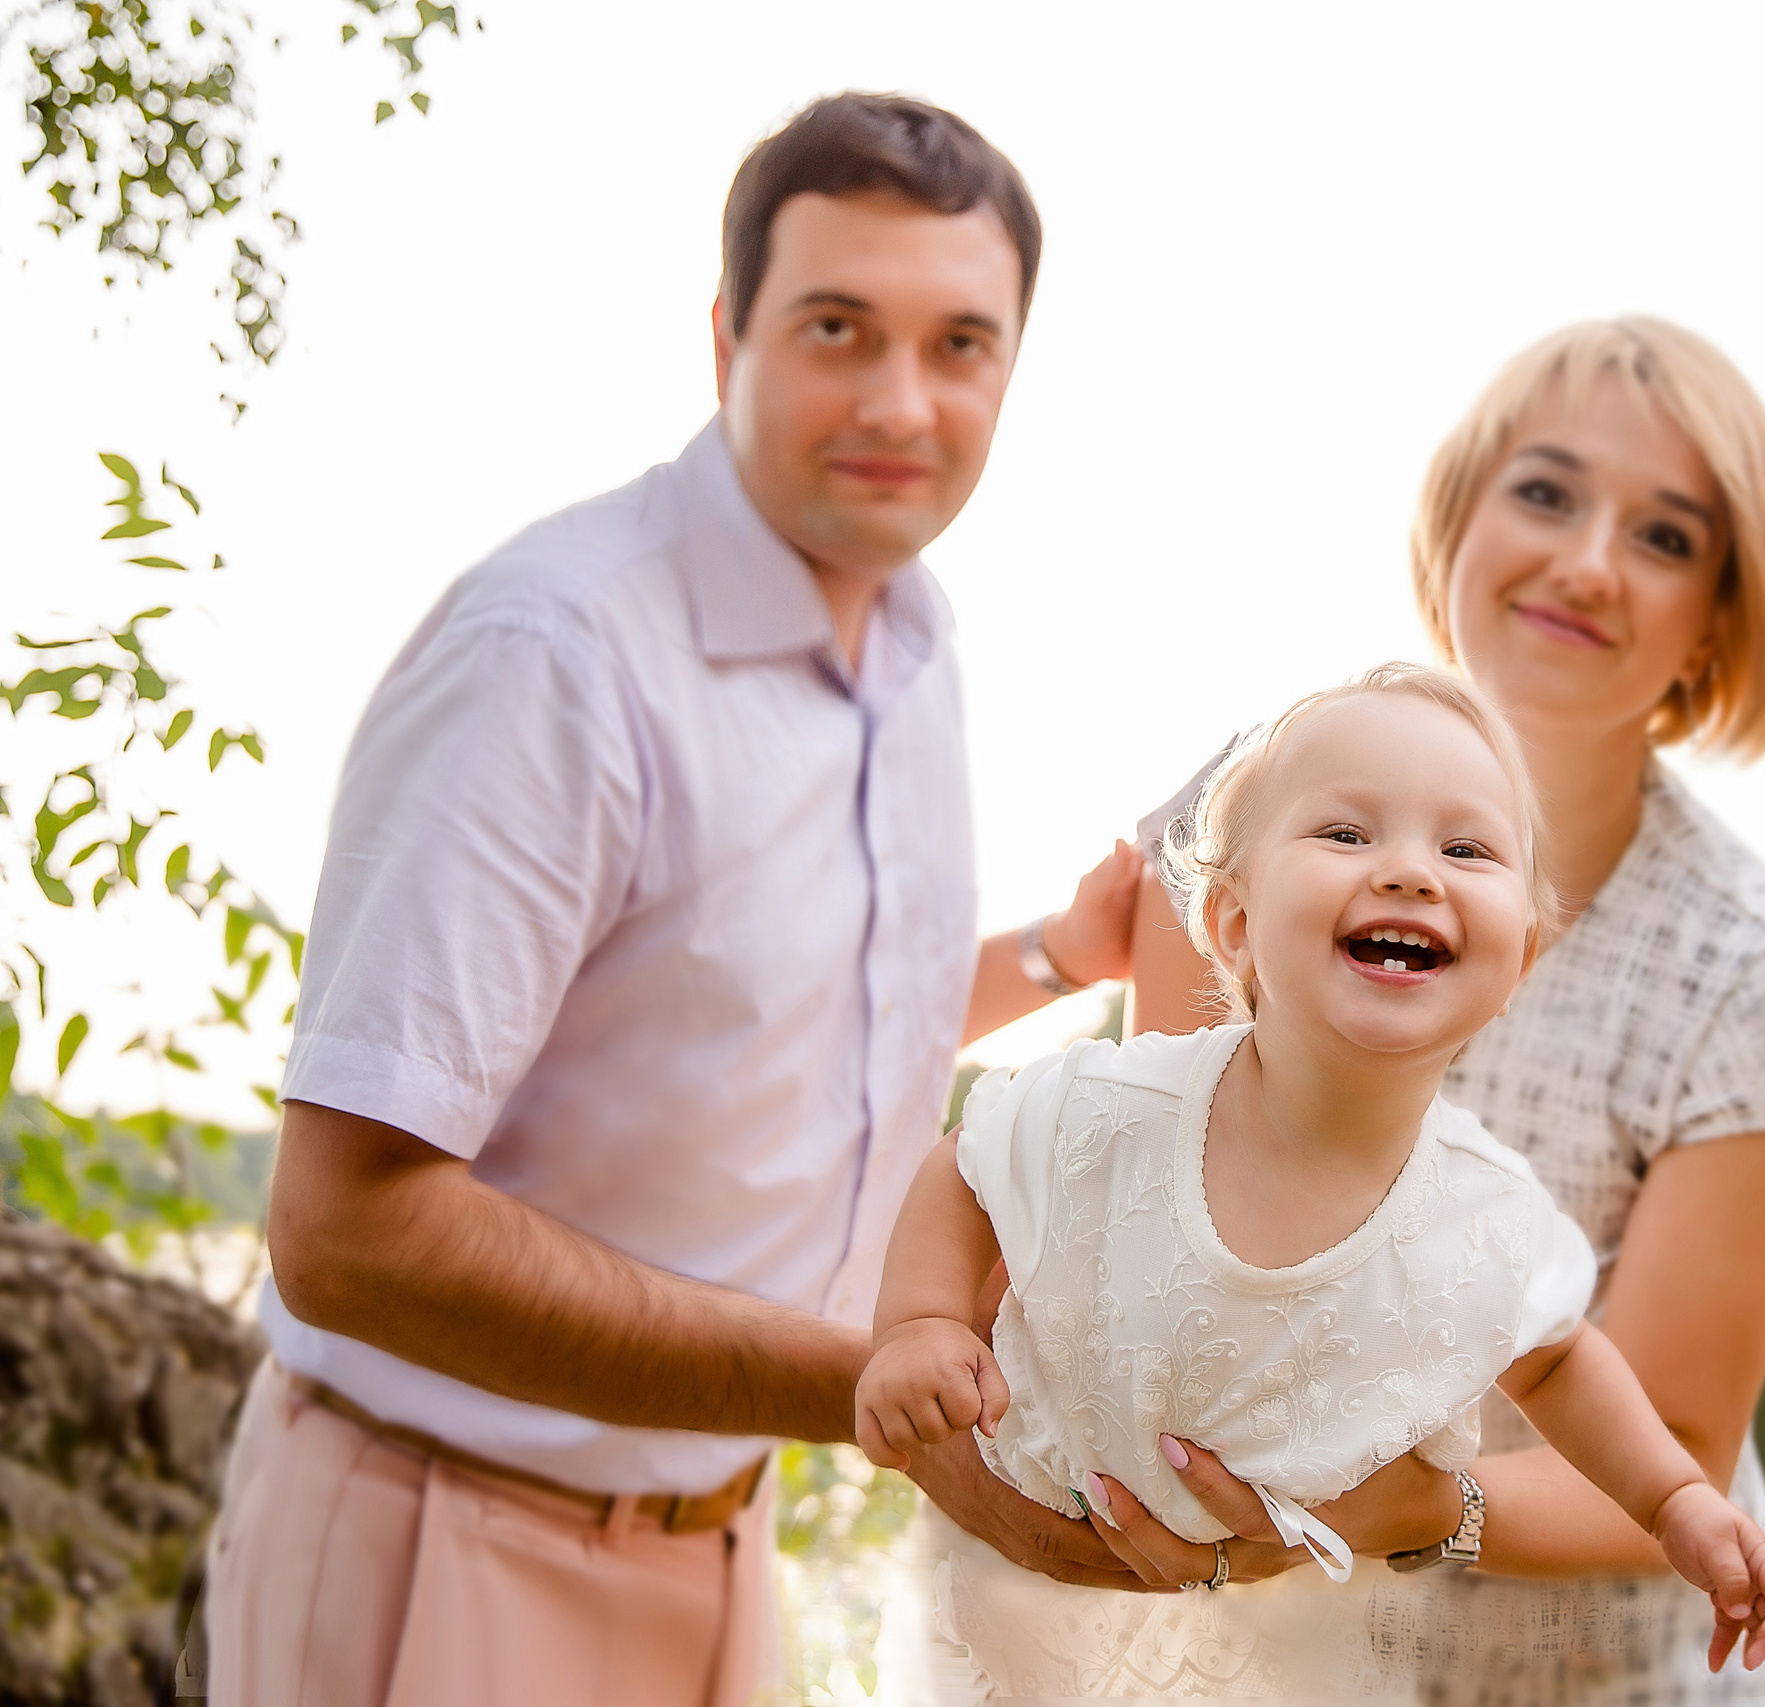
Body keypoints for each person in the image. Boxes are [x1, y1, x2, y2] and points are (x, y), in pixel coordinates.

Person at [204, 92, 1147, 1707]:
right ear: (728, 337)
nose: (902, 402)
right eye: (839, 327)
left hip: (721, 1540)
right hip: (442, 1548)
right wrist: (879, 1383)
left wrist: (1060, 954)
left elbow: (768, 1014)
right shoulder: (554, 659)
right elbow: (344, 1234)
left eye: (961, 344)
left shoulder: (914, 640)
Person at [1087, 318, 1765, 1705]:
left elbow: (1671, 1445)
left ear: (1719, 628)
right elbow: (1145, 1255)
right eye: (1547, 492)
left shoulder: (1756, 971)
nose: (1585, 560)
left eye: (1667, 538)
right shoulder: (1236, 818)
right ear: (1459, 521)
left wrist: (1405, 1509)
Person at [858, 666, 1765, 1698]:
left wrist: (1673, 1503)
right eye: (1345, 835)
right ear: (1230, 924)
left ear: (1517, 962)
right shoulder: (1117, 1106)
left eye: (1466, 849)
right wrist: (918, 1325)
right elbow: (969, 1160)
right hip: (1028, 1615)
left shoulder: (1482, 1213)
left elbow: (1558, 1361)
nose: (1408, 872)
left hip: (1283, 1649)